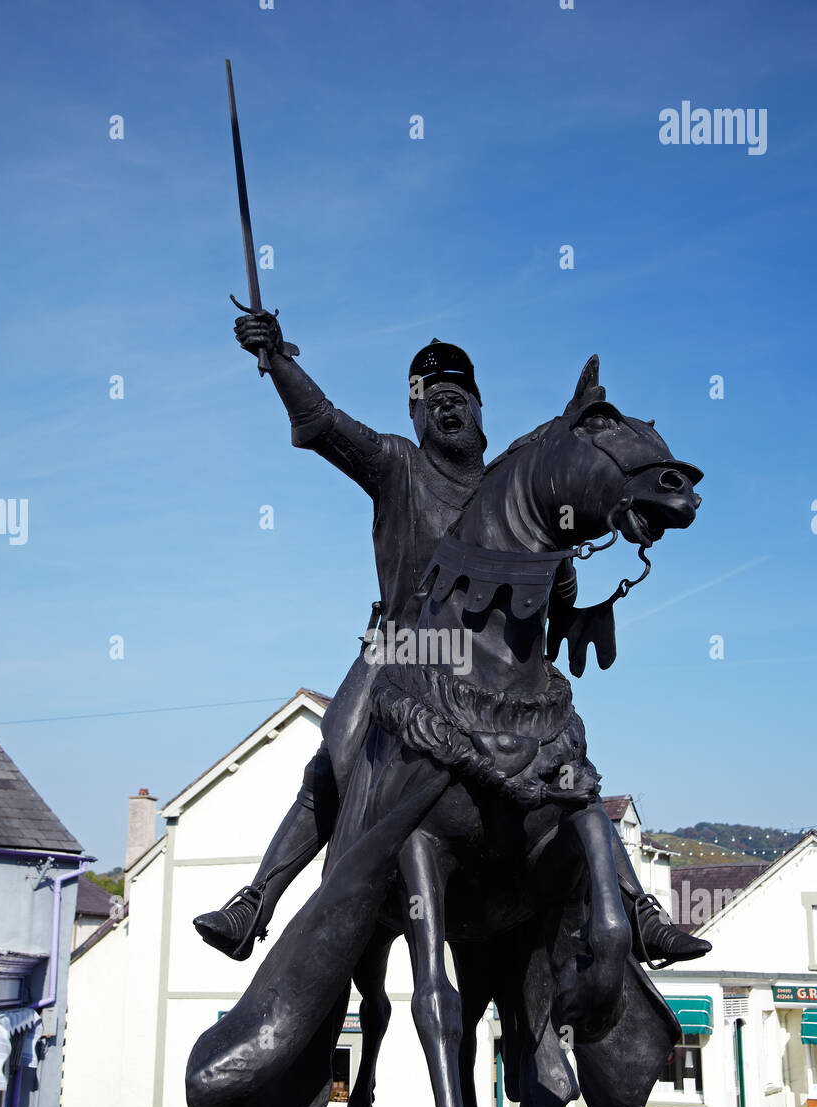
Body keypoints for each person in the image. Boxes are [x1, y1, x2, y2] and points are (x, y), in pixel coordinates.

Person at [194, 315, 708, 969]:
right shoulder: (395, 465)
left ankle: (637, 910)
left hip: (491, 668)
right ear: (414, 418)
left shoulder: (518, 489)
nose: (444, 406)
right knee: (338, 745)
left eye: (456, 395)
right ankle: (257, 902)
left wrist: (582, 610)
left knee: (570, 760)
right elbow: (324, 424)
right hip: (404, 648)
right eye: (428, 400)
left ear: (479, 407)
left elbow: (558, 595)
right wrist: (276, 361)